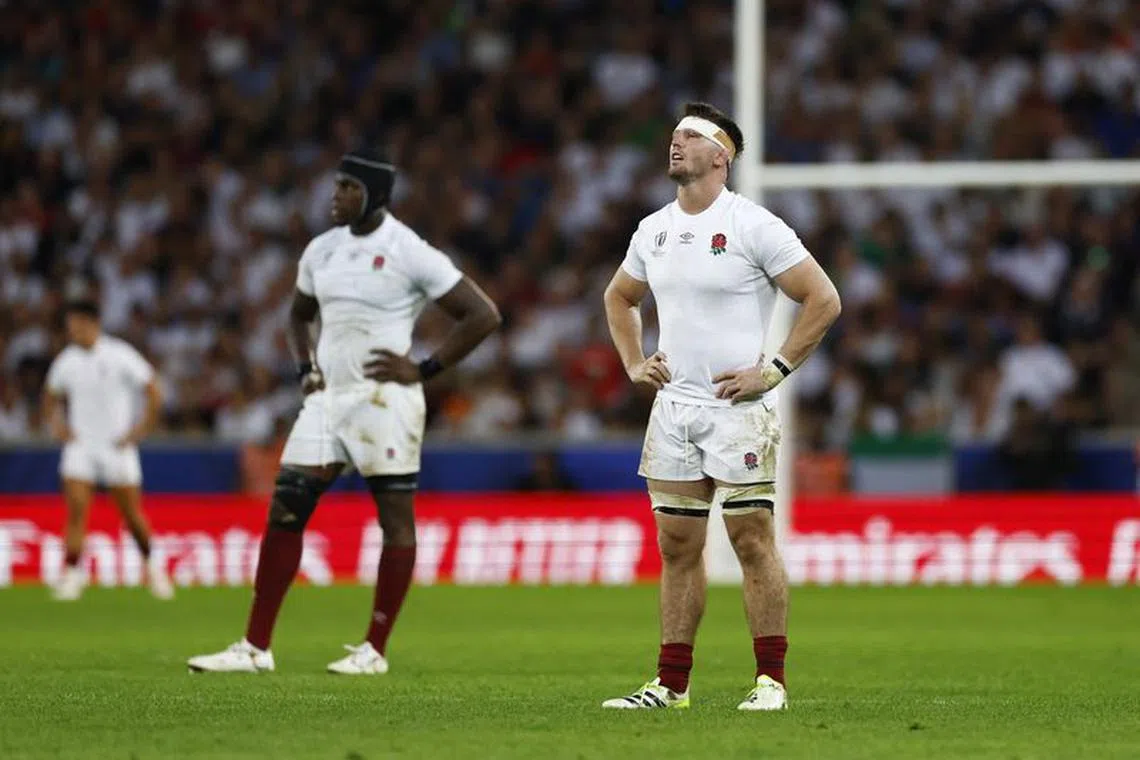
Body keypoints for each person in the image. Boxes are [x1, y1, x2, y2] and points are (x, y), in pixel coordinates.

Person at [188, 148, 501, 674]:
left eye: (347, 189)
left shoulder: (409, 250)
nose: (335, 198)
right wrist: (304, 369)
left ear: (375, 195)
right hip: (328, 400)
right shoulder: (321, 250)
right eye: (336, 188)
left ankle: (375, 649)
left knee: (394, 518)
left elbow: (482, 314)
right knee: (285, 506)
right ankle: (255, 647)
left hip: (386, 402)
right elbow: (297, 318)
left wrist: (424, 369)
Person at [601, 103, 841, 710]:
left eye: (690, 136)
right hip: (674, 411)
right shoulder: (652, 229)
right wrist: (634, 363)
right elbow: (619, 296)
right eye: (673, 134)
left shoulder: (753, 225)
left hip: (737, 410)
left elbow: (822, 298)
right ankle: (671, 686)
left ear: (720, 155)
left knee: (751, 539)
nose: (674, 144)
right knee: (677, 547)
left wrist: (775, 370)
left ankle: (771, 683)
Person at [42, 299, 171, 601]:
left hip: (117, 446)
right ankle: (73, 575)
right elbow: (49, 396)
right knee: (76, 509)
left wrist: (140, 430)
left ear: (92, 324)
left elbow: (153, 389)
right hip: (81, 447)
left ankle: (153, 568)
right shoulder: (67, 360)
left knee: (132, 515)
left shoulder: (120, 354)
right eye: (69, 326)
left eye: (76, 325)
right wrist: (58, 427)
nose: (72, 331)